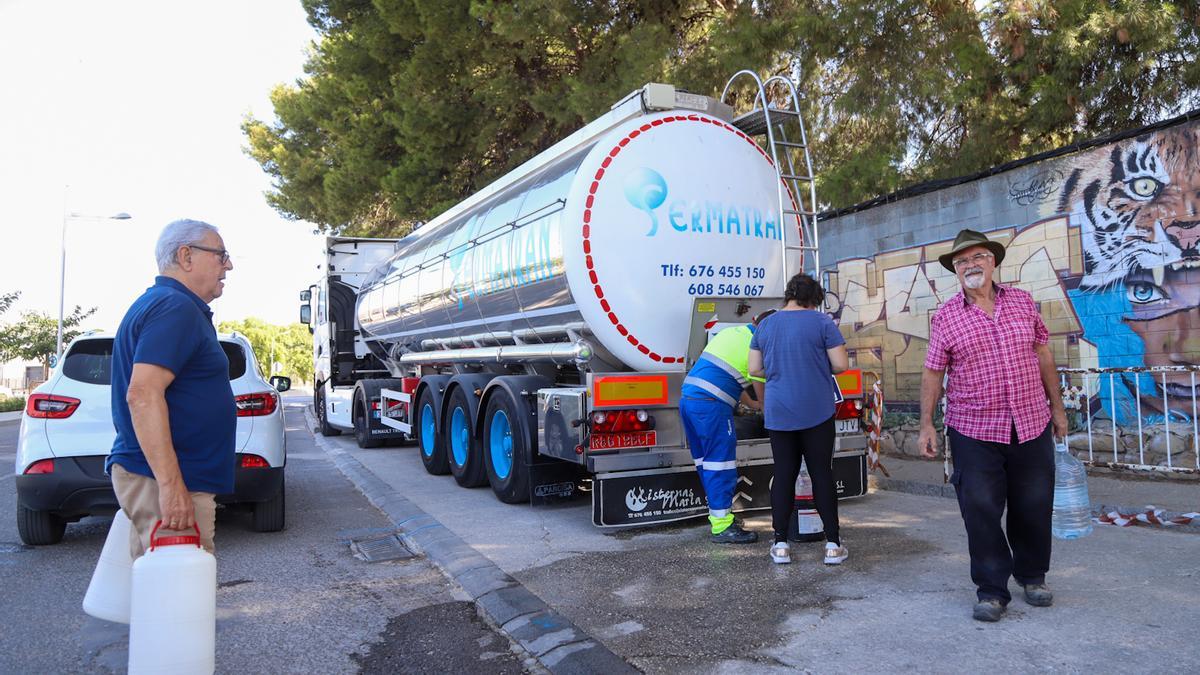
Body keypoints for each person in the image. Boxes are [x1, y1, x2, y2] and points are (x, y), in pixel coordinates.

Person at [917, 228, 1068, 622]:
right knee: (980, 507)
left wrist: (1058, 408)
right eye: (962, 261)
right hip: (973, 427)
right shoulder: (947, 316)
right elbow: (933, 373)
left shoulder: (1021, 301)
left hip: (1031, 420)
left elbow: (1043, 357)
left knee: (1034, 504)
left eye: (978, 257)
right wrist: (926, 425)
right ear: (956, 270)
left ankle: (1033, 576)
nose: (970, 265)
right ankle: (991, 590)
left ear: (993, 261)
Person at [107, 219, 236, 559]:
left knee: (159, 597)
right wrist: (171, 487)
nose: (229, 265)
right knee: (178, 603)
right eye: (220, 255)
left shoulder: (169, 305)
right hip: (167, 481)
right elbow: (143, 394)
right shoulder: (175, 308)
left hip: (165, 478)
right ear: (186, 256)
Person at [749, 274, 850, 566]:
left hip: (779, 411)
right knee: (821, 473)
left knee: (783, 475)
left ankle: (780, 544)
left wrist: (782, 370)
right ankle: (832, 544)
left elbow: (754, 368)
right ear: (814, 298)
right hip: (817, 410)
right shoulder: (822, 323)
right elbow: (841, 365)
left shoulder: (766, 324)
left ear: (789, 295)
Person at [680, 311, 773, 543]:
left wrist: (748, 404)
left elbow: (729, 373)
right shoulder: (759, 349)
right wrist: (768, 415)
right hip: (711, 406)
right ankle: (723, 528)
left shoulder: (732, 333)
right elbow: (764, 400)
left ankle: (719, 519)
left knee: (707, 463)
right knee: (721, 464)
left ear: (754, 322)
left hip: (690, 400)